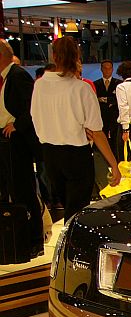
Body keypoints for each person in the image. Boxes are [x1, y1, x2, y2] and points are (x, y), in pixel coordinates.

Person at [31, 36, 120, 222]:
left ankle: (67, 246)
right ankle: (71, 248)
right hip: (76, 156)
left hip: (50, 154)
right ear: (77, 57)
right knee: (76, 212)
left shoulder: (39, 85)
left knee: (67, 207)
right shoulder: (82, 89)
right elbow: (96, 132)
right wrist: (114, 165)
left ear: (54, 56)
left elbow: (35, 118)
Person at [0, 38, 43, 259]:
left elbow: (30, 108)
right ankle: (12, 239)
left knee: (23, 190)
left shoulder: (18, 76)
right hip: (3, 140)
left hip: (16, 142)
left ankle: (34, 240)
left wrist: (16, 125)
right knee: (7, 189)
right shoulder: (5, 78)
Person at [94, 59, 120, 158]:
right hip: (101, 117)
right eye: (105, 68)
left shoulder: (118, 84)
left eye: (109, 68)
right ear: (101, 69)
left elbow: (118, 100)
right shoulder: (96, 84)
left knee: (114, 142)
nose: (107, 70)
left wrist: (105, 100)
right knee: (102, 141)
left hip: (115, 118)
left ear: (112, 69)